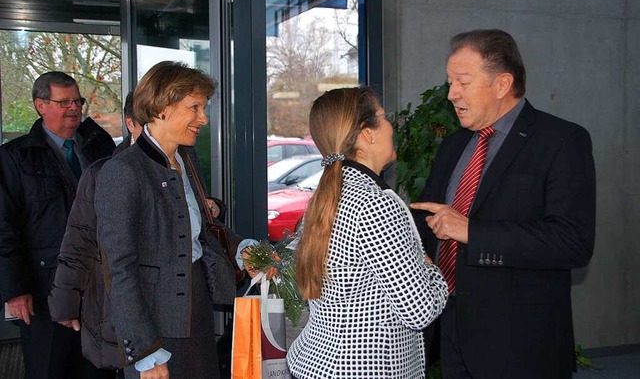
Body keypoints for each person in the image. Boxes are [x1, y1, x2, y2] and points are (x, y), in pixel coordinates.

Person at [411, 29, 596, 379]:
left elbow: (573, 243)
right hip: (451, 334)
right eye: (450, 82)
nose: (451, 94)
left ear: (501, 84)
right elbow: (430, 220)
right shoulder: (453, 145)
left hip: (520, 346)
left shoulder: (562, 141)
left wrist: (472, 232)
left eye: (462, 82)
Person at [94, 61, 252, 379]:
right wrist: (146, 350)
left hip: (196, 307)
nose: (203, 119)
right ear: (163, 107)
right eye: (194, 107)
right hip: (153, 322)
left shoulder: (186, 158)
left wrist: (242, 249)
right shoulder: (122, 171)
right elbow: (119, 271)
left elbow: (204, 228)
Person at [287, 87, 448, 378]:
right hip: (366, 369)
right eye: (385, 118)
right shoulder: (375, 204)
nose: (392, 126)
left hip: (316, 363)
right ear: (367, 133)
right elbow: (419, 310)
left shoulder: (329, 196)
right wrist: (432, 268)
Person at [0, 71, 116, 378]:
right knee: (50, 367)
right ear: (40, 105)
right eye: (63, 101)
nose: (73, 108)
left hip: (98, 286)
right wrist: (15, 289)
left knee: (98, 368)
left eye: (76, 101)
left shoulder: (99, 146)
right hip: (44, 287)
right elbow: (4, 227)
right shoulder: (15, 157)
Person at [47, 92, 143, 376]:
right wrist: (65, 302)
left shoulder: (183, 167)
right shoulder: (104, 173)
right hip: (115, 303)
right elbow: (80, 241)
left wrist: (214, 208)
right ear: (131, 123)